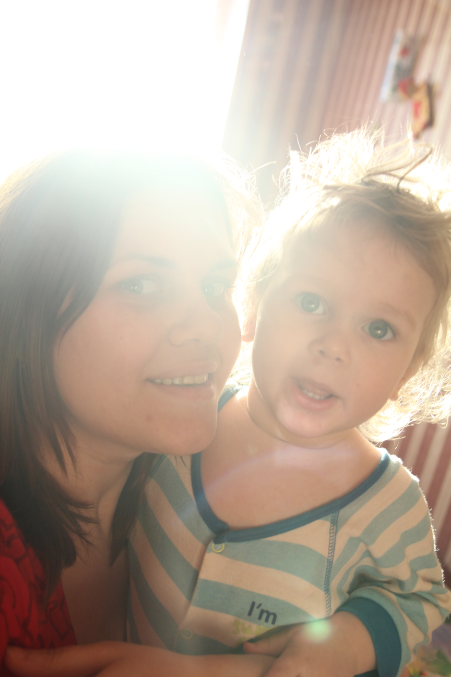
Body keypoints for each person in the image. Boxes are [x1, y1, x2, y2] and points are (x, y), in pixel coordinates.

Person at [125, 132, 451, 677]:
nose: (334, 345)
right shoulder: (187, 412)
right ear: (252, 306)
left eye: (378, 329)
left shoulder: (389, 506)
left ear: (407, 372)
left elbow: (423, 601)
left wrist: (347, 642)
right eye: (311, 301)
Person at [0, 149, 274, 677]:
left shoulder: (212, 483)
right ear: (24, 310)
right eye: (141, 285)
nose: (208, 325)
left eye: (216, 287)